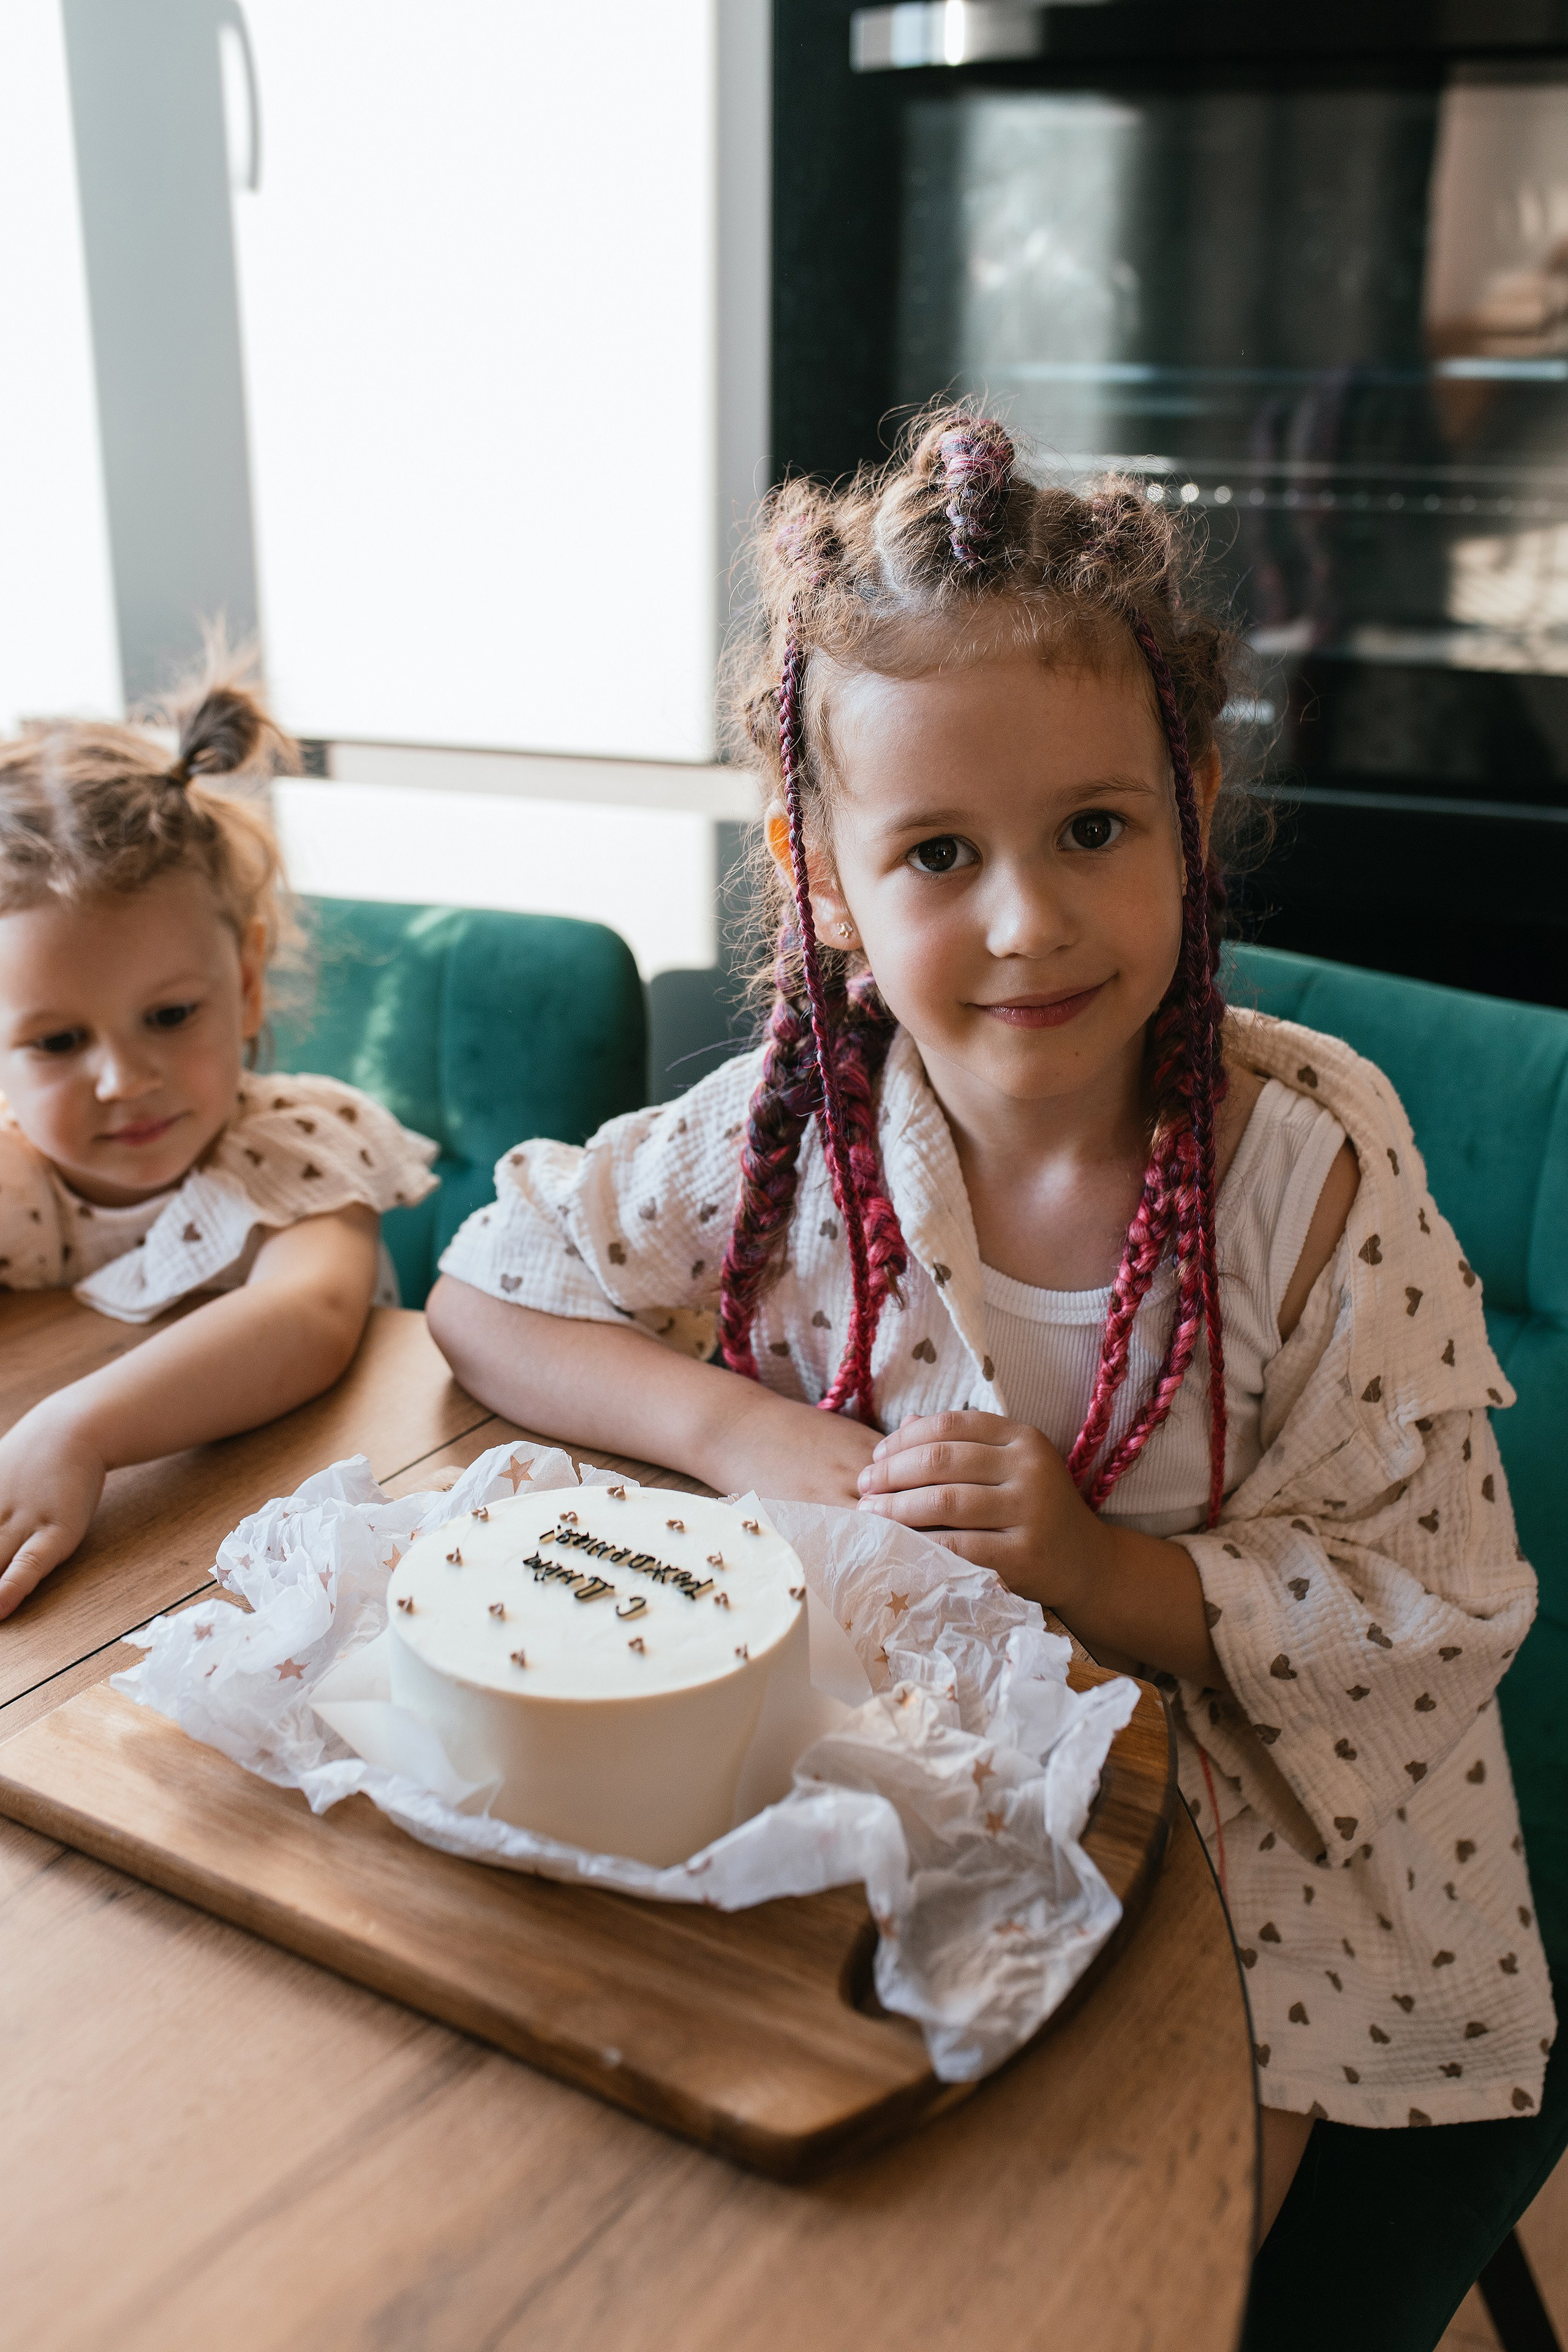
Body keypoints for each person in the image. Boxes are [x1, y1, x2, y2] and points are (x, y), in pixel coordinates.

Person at [425, 409, 1554, 2239]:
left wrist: (1099, 1573)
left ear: (1192, 806)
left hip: (1242, 1831)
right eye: (940, 853)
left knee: (1115, 2260)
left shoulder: (1315, 1166)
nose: (1028, 922)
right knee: (700, 2185)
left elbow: (1432, 1605)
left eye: (1092, 827)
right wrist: (751, 1435)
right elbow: (489, 1291)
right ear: (821, 874)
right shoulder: (794, 1131)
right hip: (889, 1766)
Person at [0, 661, 437, 1619]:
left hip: (320, 1555)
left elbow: (309, 1317)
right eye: (59, 1041)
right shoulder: (12, 1170)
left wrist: (79, 1428)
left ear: (242, 985)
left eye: (169, 1015)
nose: (125, 1079)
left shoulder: (296, 1144)